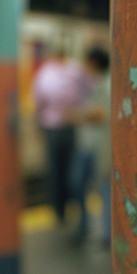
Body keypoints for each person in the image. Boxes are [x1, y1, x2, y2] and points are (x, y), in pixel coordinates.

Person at [31, 47, 90, 225]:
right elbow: (86, 94)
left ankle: (59, 210)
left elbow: (39, 101)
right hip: (72, 126)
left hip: (51, 127)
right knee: (72, 170)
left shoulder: (45, 73)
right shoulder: (76, 70)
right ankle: (74, 207)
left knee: (55, 170)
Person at [70, 45, 111, 244]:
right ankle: (100, 231)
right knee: (97, 187)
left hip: (98, 147)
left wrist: (77, 115)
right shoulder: (100, 83)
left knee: (99, 187)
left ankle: (105, 233)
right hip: (95, 146)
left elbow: (101, 114)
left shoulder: (106, 84)